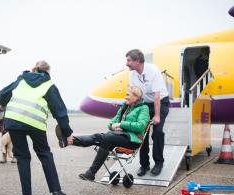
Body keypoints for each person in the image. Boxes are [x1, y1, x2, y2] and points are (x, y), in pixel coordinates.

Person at [0, 60, 74, 195]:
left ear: (34, 69)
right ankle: (56, 190)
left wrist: (5, 102)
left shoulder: (21, 80)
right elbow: (60, 112)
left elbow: (2, 95)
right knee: (45, 153)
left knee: (22, 157)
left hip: (14, 121)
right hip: (35, 123)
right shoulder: (49, 85)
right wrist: (67, 132)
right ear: (47, 72)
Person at [56, 86, 150, 181]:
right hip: (117, 136)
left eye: (127, 95)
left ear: (136, 96)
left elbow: (140, 126)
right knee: (97, 137)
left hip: (132, 140)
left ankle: (91, 173)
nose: (125, 97)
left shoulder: (143, 108)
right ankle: (69, 141)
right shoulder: (124, 107)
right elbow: (111, 123)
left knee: (108, 138)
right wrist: (113, 126)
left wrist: (121, 124)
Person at [126, 49, 170, 177]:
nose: (127, 63)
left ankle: (159, 163)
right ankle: (144, 165)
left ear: (138, 61)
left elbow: (157, 96)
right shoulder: (133, 74)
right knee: (141, 133)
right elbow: (135, 95)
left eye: (129, 60)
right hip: (145, 104)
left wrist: (156, 115)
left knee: (157, 132)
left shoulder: (152, 71)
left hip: (160, 102)